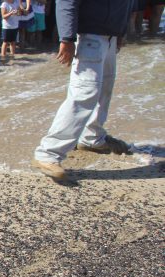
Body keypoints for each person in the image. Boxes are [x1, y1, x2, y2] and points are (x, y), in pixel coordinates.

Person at [31, 0, 133, 181]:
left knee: (104, 89)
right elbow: (67, 2)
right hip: (89, 36)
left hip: (109, 36)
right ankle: (48, 153)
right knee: (84, 93)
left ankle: (92, 137)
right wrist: (67, 38)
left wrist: (120, 32)